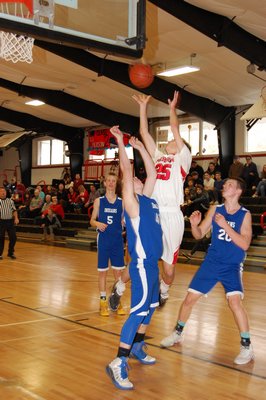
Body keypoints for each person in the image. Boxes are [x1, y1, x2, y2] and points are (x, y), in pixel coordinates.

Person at [109, 91, 192, 308]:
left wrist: (172, 109)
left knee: (169, 269)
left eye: (178, 140)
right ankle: (119, 287)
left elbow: (175, 130)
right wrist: (143, 106)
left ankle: (164, 290)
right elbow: (144, 132)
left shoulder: (182, 159)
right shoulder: (158, 156)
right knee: (139, 259)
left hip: (172, 214)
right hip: (152, 211)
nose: (173, 140)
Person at [160, 177, 254, 365]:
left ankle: (247, 346)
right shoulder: (215, 209)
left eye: (229, 185)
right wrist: (194, 225)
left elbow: (244, 244)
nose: (225, 186)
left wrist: (226, 225)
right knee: (188, 300)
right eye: (225, 184)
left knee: (234, 302)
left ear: (238, 192)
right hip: (212, 263)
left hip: (232, 266)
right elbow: (199, 234)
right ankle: (178, 333)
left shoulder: (245, 214)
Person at [106, 126, 162, 390]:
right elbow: (128, 173)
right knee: (137, 313)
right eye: (134, 181)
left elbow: (151, 172)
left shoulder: (148, 200)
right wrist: (121, 143)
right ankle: (118, 361)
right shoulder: (132, 203)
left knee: (150, 310)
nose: (140, 179)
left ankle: (138, 347)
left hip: (154, 266)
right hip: (140, 267)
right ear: (128, 188)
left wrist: (141, 148)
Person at [90, 173, 126, 317]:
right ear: (105, 183)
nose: (111, 183)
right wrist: (97, 223)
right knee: (103, 272)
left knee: (118, 273)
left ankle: (116, 300)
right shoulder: (99, 201)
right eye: (109, 181)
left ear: (116, 183)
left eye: (113, 181)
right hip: (104, 240)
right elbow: (92, 220)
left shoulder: (122, 202)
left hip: (117, 241)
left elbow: (124, 220)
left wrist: (124, 223)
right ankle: (103, 302)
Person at [0, 187, 19, 259]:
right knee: (1, 238)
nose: (3, 192)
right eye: (1, 191)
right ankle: (0, 254)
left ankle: (10, 253)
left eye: (4, 191)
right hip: (1, 222)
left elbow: (14, 210)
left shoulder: (10, 201)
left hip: (10, 222)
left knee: (13, 237)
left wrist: (16, 218)